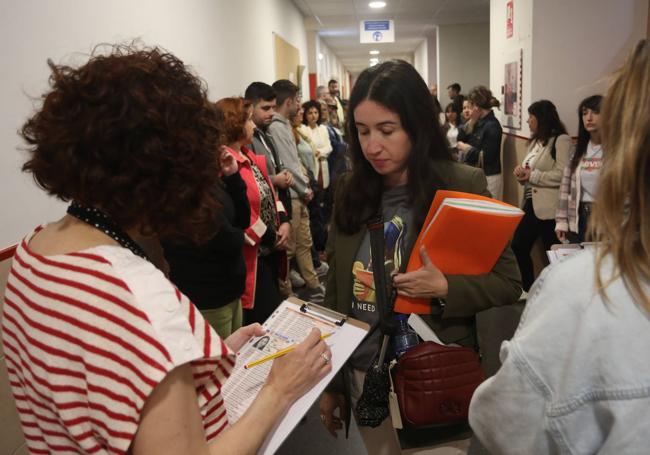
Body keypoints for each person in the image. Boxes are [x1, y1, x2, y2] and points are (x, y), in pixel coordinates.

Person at [1, 43, 332, 455]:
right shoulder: (137, 298)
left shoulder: (35, 253)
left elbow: (107, 381)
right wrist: (279, 391)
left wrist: (196, 360)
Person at [318, 59, 521, 454]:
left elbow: (509, 283)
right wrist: (334, 383)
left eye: (387, 130)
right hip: (366, 376)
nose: (372, 145)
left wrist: (445, 287)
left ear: (417, 125)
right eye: (362, 131)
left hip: (433, 375)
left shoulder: (461, 185)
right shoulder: (350, 189)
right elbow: (334, 295)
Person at [469, 39, 650, 454]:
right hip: (572, 217)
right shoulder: (569, 148)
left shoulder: (582, 293)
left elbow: (502, 426)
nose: (589, 119)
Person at [215, 97, 290, 325]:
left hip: (268, 252)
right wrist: (270, 235)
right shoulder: (227, 163)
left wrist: (283, 219)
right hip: (252, 257)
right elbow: (244, 214)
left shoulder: (248, 156)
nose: (253, 126)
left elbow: (268, 191)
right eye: (248, 120)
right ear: (234, 124)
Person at [162, 146, 250, 338]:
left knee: (238, 359)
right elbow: (229, 240)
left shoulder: (208, 182)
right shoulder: (180, 191)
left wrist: (233, 176)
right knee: (222, 365)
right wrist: (239, 234)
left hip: (231, 291)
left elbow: (243, 219)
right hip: (208, 299)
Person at [269, 80, 325, 301]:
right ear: (289, 101)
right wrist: (304, 189)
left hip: (299, 193)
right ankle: (288, 295)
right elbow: (287, 166)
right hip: (292, 195)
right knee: (290, 249)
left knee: (305, 243)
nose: (300, 106)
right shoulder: (275, 127)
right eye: (298, 100)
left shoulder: (284, 124)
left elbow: (296, 161)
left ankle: (313, 286)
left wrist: (306, 187)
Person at [511, 100, 572, 293]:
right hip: (530, 203)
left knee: (553, 254)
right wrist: (522, 174)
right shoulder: (537, 142)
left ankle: (558, 293)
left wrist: (533, 176)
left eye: (531, 117)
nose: (528, 121)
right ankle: (528, 290)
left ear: (541, 118)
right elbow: (530, 170)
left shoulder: (561, 140)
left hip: (551, 208)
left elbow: (563, 173)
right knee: (518, 246)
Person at [555, 95, 604, 243]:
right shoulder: (578, 151)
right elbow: (565, 188)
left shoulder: (618, 150)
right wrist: (561, 221)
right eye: (584, 113)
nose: (588, 118)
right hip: (580, 216)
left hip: (607, 218)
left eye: (595, 112)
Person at [457, 86, 504, 200]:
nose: (469, 110)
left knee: (491, 214)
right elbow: (460, 138)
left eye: (471, 106)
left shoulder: (492, 125)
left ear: (477, 107)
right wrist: (471, 122)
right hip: (478, 174)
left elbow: (487, 157)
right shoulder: (477, 122)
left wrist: (466, 148)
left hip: (490, 177)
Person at [300, 99, 333, 190]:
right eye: (310, 113)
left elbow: (329, 147)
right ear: (305, 115)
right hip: (309, 166)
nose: (313, 115)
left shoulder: (323, 128)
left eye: (316, 112)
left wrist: (319, 152)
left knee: (324, 189)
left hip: (323, 164)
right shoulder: (302, 129)